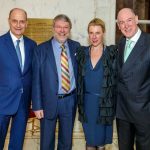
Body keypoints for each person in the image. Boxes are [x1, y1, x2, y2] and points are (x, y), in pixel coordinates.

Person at [32, 14, 80, 150]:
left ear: (70, 29)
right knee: (46, 142)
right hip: (47, 102)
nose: (62, 30)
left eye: (66, 27)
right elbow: (36, 80)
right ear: (53, 28)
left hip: (69, 100)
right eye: (59, 27)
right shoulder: (40, 50)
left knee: (66, 142)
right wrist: (37, 105)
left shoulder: (76, 47)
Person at [77, 18, 117, 150]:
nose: (94, 37)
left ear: (104, 33)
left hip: (104, 104)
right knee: (89, 140)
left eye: (97, 33)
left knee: (100, 143)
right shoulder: (82, 53)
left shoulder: (111, 53)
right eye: (91, 33)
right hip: (87, 104)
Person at [0, 8, 36, 149]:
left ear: (26, 23)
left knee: (17, 144)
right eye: (15, 21)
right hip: (2, 102)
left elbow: (32, 74)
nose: (18, 25)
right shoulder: (0, 43)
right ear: (9, 21)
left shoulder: (32, 45)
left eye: (22, 21)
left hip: (23, 102)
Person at [116, 8, 150, 150]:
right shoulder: (121, 43)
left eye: (129, 20)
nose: (126, 25)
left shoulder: (148, 42)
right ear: (118, 26)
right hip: (122, 111)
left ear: (136, 19)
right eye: (122, 23)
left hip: (144, 112)